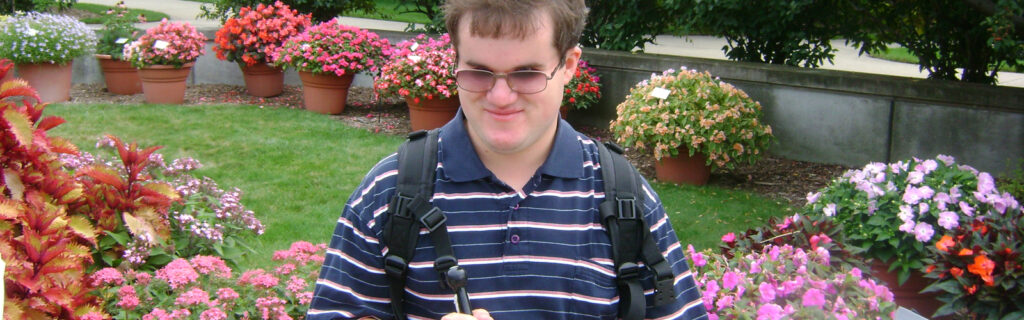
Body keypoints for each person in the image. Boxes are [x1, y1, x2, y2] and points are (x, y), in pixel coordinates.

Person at [306, 0, 708, 319]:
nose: (500, 97)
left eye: (527, 73)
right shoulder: (390, 190)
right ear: (455, 60)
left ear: (567, 66)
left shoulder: (624, 195)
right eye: (479, 72)